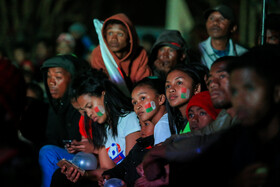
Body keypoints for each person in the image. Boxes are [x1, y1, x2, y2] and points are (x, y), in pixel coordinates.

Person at [56, 68, 141, 184]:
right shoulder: (105, 129)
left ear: (103, 95)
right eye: (85, 111)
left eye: (90, 106)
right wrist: (80, 173)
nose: (89, 114)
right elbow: (107, 168)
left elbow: (131, 166)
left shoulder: (129, 119)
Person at [226, 45, 280, 186]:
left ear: (277, 92)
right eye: (234, 92)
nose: (240, 101)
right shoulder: (233, 140)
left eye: (249, 88)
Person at [39, 55, 89, 187]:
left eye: (58, 77)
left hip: (91, 159)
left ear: (73, 78)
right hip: (70, 157)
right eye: (48, 76)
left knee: (47, 152)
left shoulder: (84, 105)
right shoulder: (55, 105)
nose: (51, 82)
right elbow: (51, 138)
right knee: (46, 151)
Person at [90, 13, 152, 90]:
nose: (113, 39)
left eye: (120, 34)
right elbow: (101, 86)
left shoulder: (140, 53)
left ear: (130, 38)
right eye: (110, 33)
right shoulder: (99, 53)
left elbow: (145, 85)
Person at [99, 120, 155, 187]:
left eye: (146, 124)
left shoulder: (156, 150)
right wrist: (109, 174)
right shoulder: (139, 146)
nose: (142, 129)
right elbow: (124, 165)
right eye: (140, 125)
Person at [199, 4, 247, 69]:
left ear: (233, 28)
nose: (215, 22)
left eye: (222, 19)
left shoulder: (242, 54)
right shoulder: (198, 51)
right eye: (211, 18)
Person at [165, 63, 208, 134]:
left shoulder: (200, 120)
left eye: (179, 83)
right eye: (168, 86)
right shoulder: (179, 123)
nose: (171, 89)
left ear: (196, 89)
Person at [131, 77, 171, 145]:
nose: (137, 106)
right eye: (134, 102)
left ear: (160, 99)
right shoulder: (166, 121)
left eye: (143, 98)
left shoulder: (162, 125)